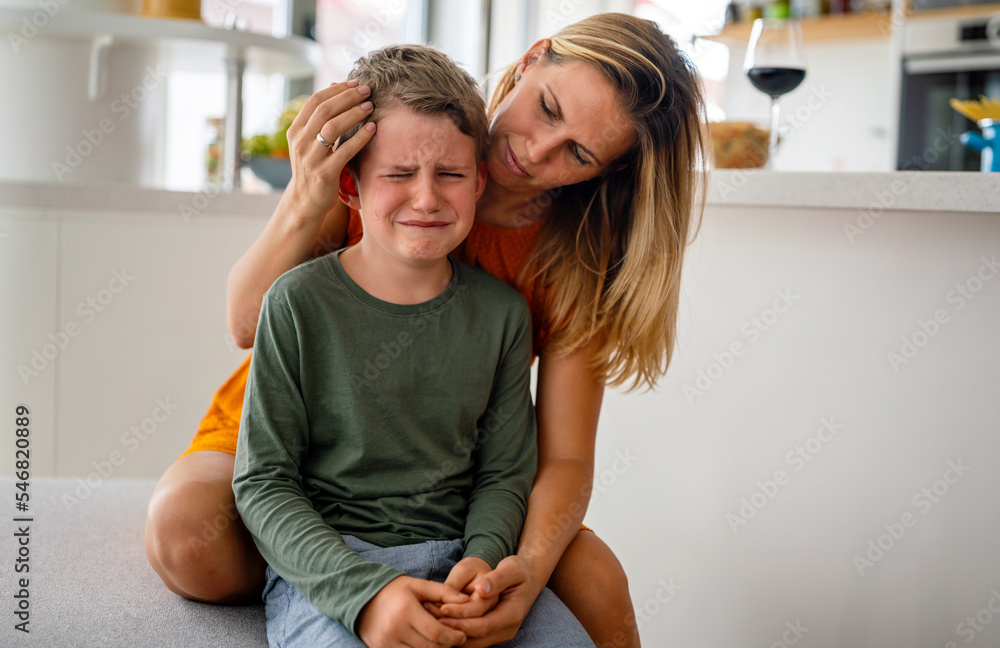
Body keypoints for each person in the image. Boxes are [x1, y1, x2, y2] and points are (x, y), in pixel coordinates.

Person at [145, 12, 707, 648]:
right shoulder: (391, 147)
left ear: (606, 172)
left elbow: (567, 459)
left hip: (446, 472)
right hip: (293, 438)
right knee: (187, 535)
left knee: (596, 583)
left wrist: (518, 572)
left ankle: (410, 579)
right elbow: (246, 321)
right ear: (531, 60)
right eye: (548, 109)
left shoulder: (575, 258)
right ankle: (321, 575)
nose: (536, 150)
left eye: (578, 152)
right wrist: (308, 193)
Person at [232, 44, 595, 648]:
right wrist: (364, 595)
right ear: (350, 185)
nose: (426, 199)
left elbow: (504, 472)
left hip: (460, 557)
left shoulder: (503, 315)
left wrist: (484, 560)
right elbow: (264, 482)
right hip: (333, 567)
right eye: (398, 175)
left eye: (450, 175)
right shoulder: (295, 302)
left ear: (478, 182)